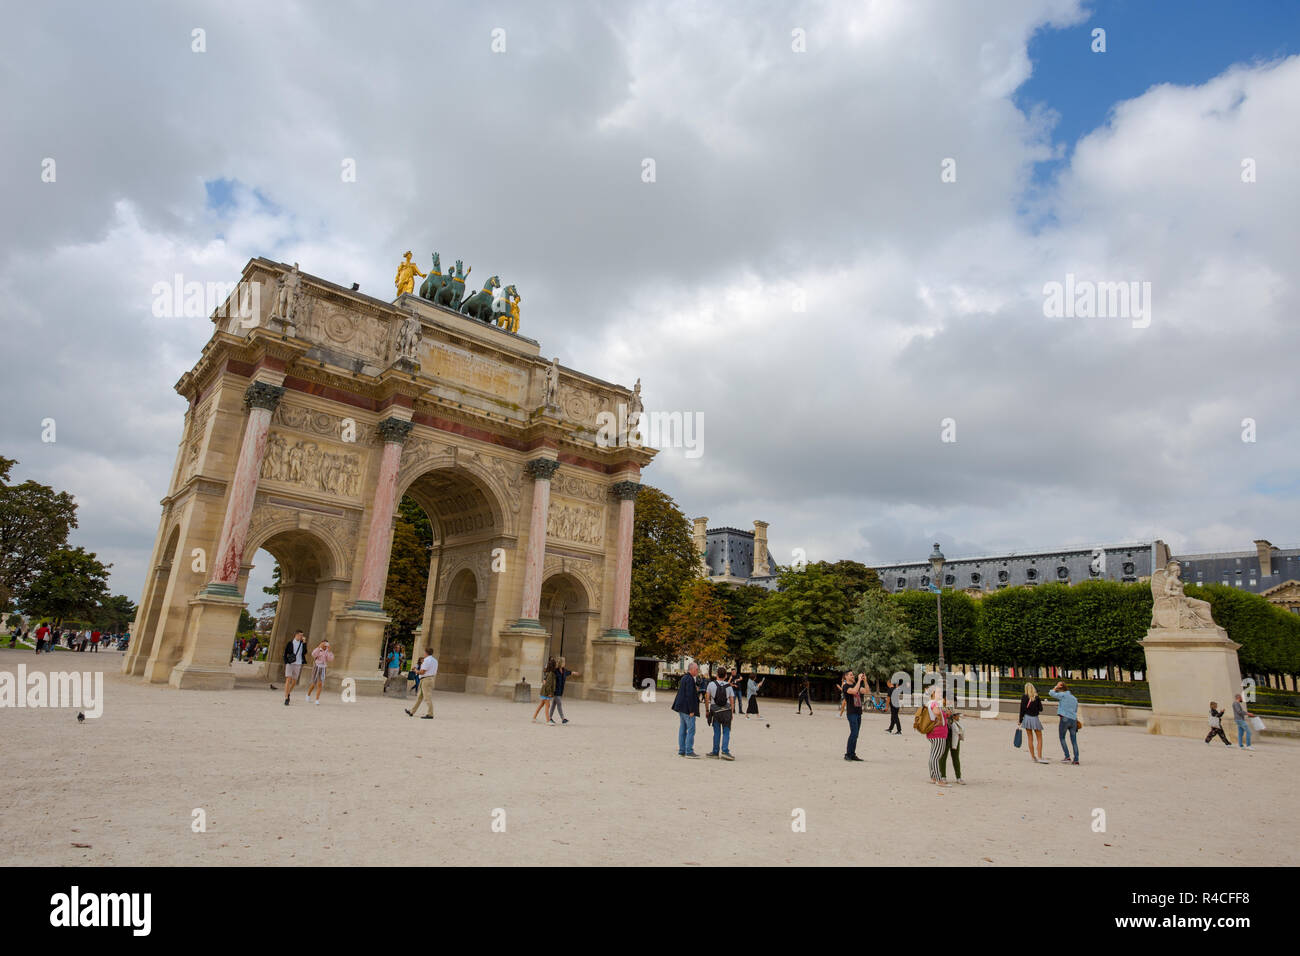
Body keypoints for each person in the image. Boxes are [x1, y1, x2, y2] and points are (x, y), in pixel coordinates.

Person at [705, 666, 736, 759]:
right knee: (726, 731)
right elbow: (731, 700)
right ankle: (725, 751)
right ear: (726, 676)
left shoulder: (711, 684)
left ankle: (715, 752)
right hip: (726, 711)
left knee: (717, 732)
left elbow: (707, 698)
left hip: (715, 711)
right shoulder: (729, 686)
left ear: (717, 674)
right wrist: (732, 712)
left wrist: (707, 710)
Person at [671, 661, 701, 757]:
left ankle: (682, 750)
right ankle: (689, 751)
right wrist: (692, 710)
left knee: (683, 729)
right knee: (691, 729)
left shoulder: (685, 678)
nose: (697, 671)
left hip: (681, 708)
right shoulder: (689, 679)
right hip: (687, 709)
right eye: (696, 669)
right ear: (691, 669)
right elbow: (689, 695)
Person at [1049, 681, 1080, 764]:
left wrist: (1056, 686)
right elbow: (1075, 710)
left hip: (1065, 719)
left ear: (1061, 688)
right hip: (1073, 720)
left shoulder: (1063, 695)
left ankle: (1067, 756)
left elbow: (1051, 693)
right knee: (1074, 740)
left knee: (1062, 738)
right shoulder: (1074, 698)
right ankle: (1076, 759)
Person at [925, 686, 951, 786]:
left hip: (933, 733)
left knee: (933, 755)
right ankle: (939, 780)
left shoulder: (929, 702)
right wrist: (940, 719)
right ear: (933, 693)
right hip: (938, 733)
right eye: (938, 692)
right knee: (936, 756)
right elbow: (936, 712)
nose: (940, 694)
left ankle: (933, 777)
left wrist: (944, 715)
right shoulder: (934, 703)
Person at [1018, 682, 1049, 764]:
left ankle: (1033, 757)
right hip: (1035, 718)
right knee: (1039, 738)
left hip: (1027, 718)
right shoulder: (1037, 697)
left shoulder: (1024, 697)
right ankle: (1039, 756)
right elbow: (1041, 709)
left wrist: (1020, 720)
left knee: (1030, 738)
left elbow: (1022, 710)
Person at [404, 648, 438, 719]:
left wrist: (415, 670)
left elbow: (422, 672)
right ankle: (412, 711)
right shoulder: (435, 660)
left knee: (427, 697)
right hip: (430, 678)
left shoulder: (426, 660)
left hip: (426, 679)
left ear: (426, 653)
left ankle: (430, 714)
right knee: (420, 696)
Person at [549, 656, 580, 724]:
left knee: (554, 705)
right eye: (564, 662)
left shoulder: (564, 670)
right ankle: (563, 719)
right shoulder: (555, 671)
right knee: (559, 704)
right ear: (561, 663)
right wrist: (550, 691)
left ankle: (549, 718)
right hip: (555, 690)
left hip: (560, 691)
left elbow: (569, 672)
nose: (565, 663)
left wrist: (574, 673)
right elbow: (550, 680)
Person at [843, 670, 866, 761]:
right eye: (851, 675)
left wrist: (865, 680)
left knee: (856, 734)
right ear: (846, 677)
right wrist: (859, 680)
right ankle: (848, 754)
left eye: (853, 675)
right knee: (854, 733)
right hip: (851, 713)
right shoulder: (845, 686)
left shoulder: (856, 684)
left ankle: (852, 754)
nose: (853, 676)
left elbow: (866, 691)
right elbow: (854, 691)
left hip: (858, 713)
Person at [282, 630, 308, 706]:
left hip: (298, 663)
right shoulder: (290, 643)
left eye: (302, 635)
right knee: (288, 679)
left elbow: (305, 652)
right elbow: (285, 652)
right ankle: (286, 697)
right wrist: (286, 661)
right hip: (290, 663)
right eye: (300, 635)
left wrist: (304, 643)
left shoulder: (302, 644)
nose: (301, 637)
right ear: (296, 635)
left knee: (294, 681)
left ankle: (288, 692)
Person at [305, 639, 333, 705]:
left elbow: (330, 659)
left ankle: (317, 699)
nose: (325, 646)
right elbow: (313, 655)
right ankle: (308, 694)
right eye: (324, 644)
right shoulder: (318, 649)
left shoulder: (327, 651)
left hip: (323, 668)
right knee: (313, 683)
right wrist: (319, 647)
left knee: (320, 684)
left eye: (326, 644)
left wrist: (328, 651)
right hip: (316, 667)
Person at [942, 711, 966, 784]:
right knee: (943, 756)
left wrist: (955, 716)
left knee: (955, 757)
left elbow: (958, 718)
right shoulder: (939, 705)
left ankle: (958, 777)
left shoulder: (953, 706)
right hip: (944, 734)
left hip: (954, 735)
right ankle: (943, 776)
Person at [532, 658, 557, 723]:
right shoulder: (551, 674)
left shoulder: (548, 673)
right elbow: (548, 684)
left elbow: (545, 682)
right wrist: (549, 693)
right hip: (546, 692)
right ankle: (548, 720)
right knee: (547, 706)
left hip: (544, 691)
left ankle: (534, 717)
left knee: (541, 705)